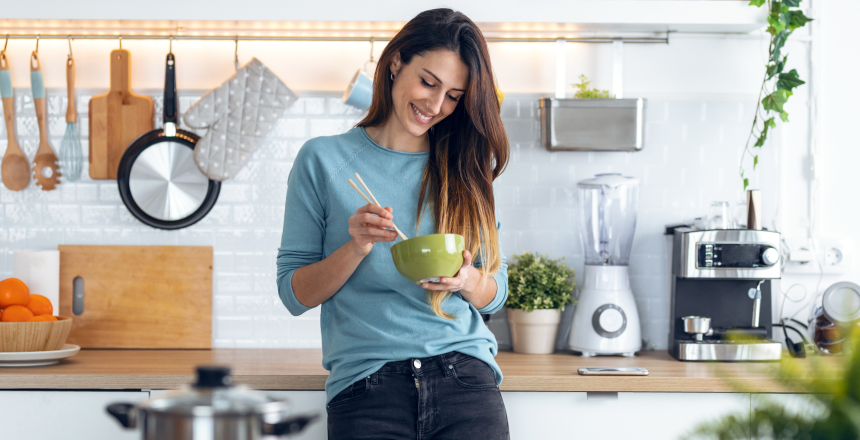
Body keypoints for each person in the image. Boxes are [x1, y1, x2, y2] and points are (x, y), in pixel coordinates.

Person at [277, 8, 510, 439]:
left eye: (454, 95)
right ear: (397, 60)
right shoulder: (324, 160)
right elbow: (294, 294)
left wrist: (467, 281)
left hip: (465, 379)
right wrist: (356, 247)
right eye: (428, 82)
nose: (436, 106)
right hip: (367, 385)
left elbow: (498, 292)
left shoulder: (464, 167)